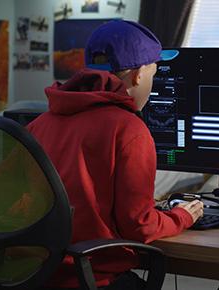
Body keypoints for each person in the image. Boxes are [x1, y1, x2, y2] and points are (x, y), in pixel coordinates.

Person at [27, 20, 204, 289]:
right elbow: (140, 226)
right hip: (92, 279)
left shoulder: (39, 124)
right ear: (138, 75)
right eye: (153, 75)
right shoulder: (129, 129)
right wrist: (182, 216)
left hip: (33, 276)